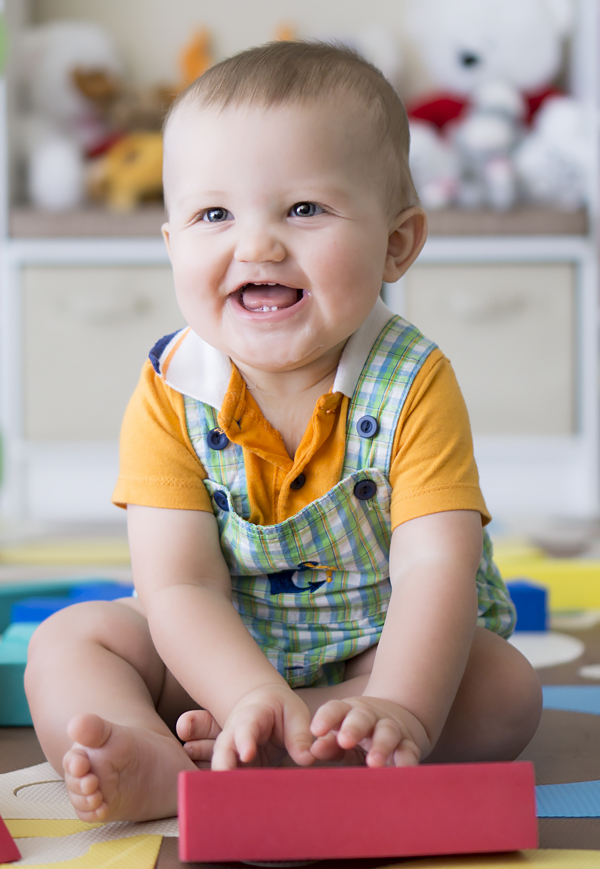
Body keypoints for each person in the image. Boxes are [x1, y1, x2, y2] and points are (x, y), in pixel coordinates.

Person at [25, 41, 542, 824]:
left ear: (396, 244)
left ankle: (324, 739)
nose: (257, 244)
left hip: (382, 648)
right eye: (214, 214)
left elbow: (435, 569)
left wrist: (401, 708)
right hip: (213, 653)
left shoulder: (413, 383)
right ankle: (152, 758)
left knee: (505, 689)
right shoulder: (171, 391)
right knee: (70, 643)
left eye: (303, 209)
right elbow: (180, 586)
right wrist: (247, 695)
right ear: (173, 247)